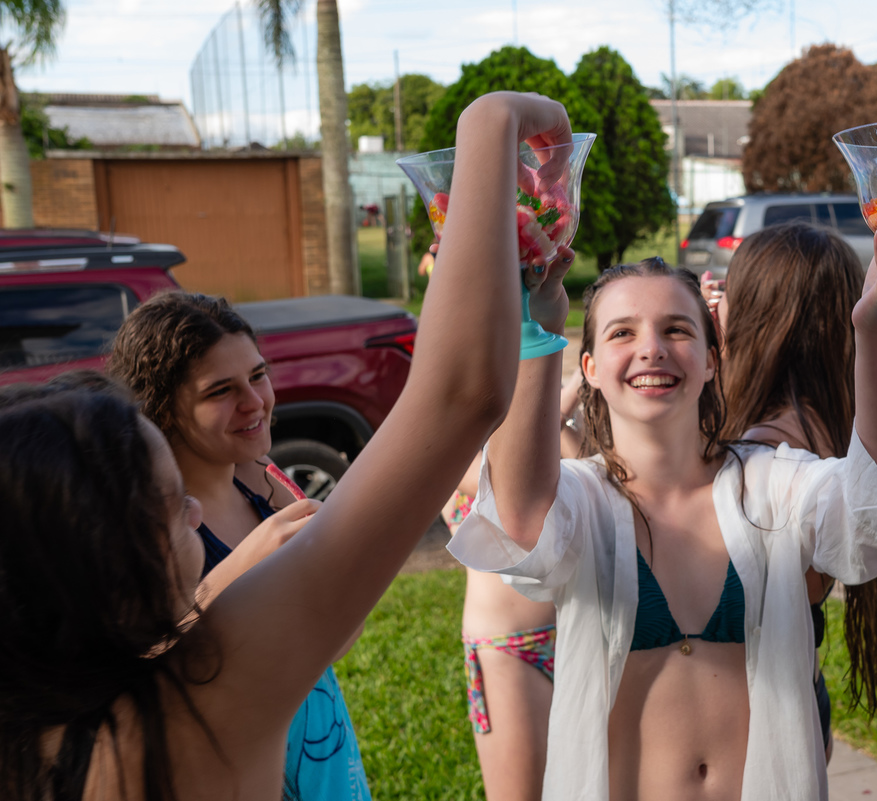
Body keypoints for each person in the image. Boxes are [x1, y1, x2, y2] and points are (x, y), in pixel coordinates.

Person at [0, 90, 571, 801]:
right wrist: (490, 123)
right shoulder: (192, 709)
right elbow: (459, 395)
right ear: (90, 563)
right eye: (165, 502)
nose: (192, 516)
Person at [449, 215, 877, 799]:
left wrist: (874, 328)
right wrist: (538, 334)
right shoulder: (583, 501)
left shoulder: (771, 484)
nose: (652, 348)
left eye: (677, 330)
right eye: (621, 333)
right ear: (588, 368)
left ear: (713, 358)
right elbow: (518, 523)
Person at [107, 291, 369, 799]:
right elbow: (136, 672)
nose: (255, 402)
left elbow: (319, 645)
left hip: (320, 747)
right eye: (219, 391)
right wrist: (241, 566)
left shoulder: (264, 479)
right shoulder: (147, 526)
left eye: (257, 375)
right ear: (161, 406)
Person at [716, 220, 877, 763]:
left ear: (750, 316)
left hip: (753, 728)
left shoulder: (761, 455)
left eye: (731, 295)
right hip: (802, 700)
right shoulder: (834, 424)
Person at [453, 369, 583, 801]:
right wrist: (565, 395)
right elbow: (509, 482)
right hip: (511, 650)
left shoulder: (563, 409)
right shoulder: (458, 426)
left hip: (584, 637)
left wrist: (560, 403)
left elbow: (594, 475)